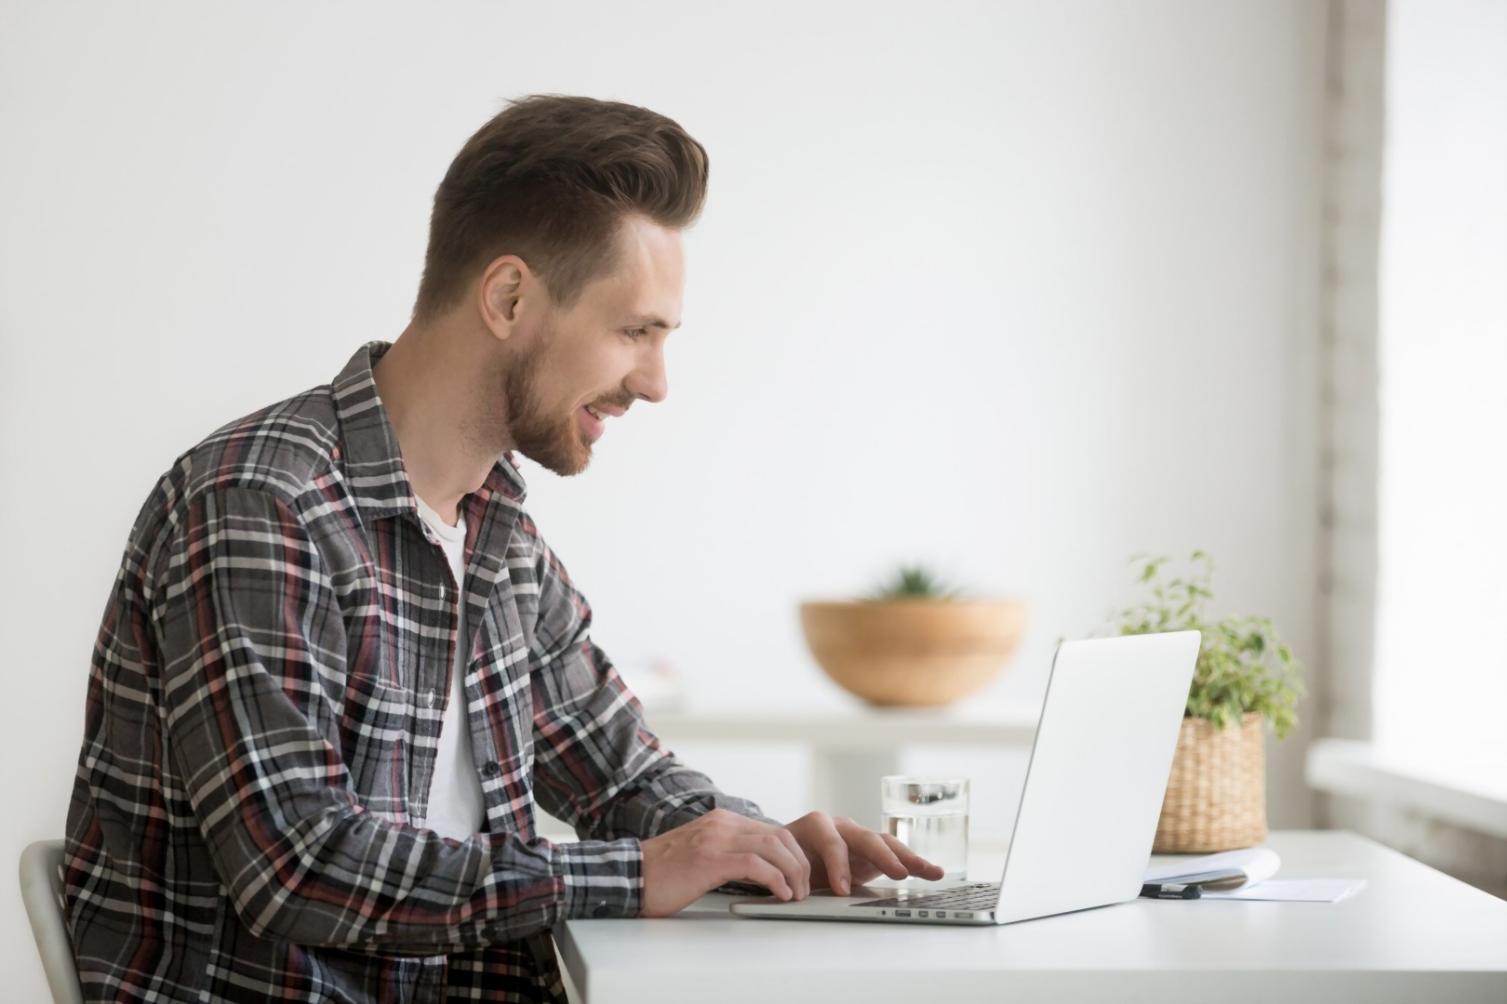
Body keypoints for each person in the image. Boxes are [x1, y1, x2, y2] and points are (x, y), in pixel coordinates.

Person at [62, 93, 943, 1003]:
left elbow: (619, 773)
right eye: (634, 331)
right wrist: (637, 874)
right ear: (510, 296)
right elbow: (297, 864)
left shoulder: (498, 532)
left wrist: (769, 847)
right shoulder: (260, 504)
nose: (654, 381)